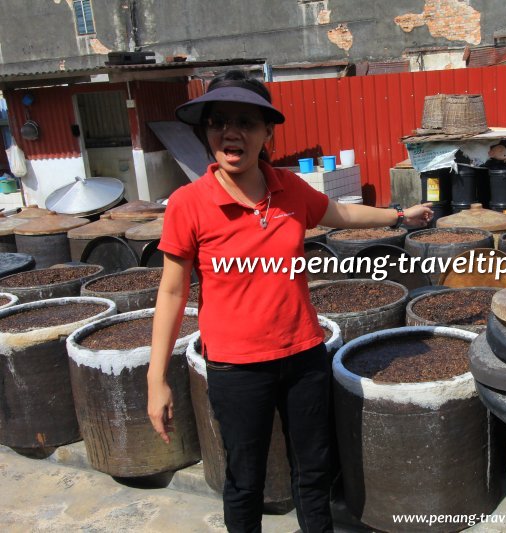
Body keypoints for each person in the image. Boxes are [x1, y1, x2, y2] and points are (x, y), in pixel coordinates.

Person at [147, 70, 432, 533]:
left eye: (246, 121)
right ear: (206, 131)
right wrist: (156, 378)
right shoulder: (188, 203)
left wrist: (400, 214)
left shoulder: (288, 188)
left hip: (303, 355)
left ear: (267, 134)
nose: (230, 132)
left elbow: (338, 212)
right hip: (236, 368)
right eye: (218, 121)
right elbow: (173, 292)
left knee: (314, 472)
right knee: (245, 479)